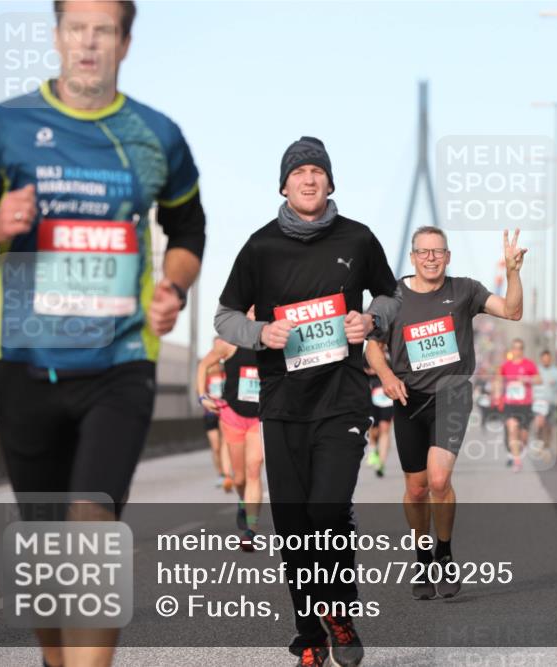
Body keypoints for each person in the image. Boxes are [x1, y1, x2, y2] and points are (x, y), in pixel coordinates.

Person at [0, 2, 205, 665]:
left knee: (92, 528)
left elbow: (189, 233)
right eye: (77, 28)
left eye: (104, 30)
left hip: (119, 364)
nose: (89, 41)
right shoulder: (2, 127)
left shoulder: (157, 135)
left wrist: (174, 288)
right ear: (57, 38)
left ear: (125, 42)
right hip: (24, 366)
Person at [215, 136, 396, 667]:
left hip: (342, 399)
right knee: (293, 524)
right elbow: (225, 317)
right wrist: (260, 332)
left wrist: (372, 320)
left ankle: (339, 611)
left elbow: (392, 296)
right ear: (284, 184)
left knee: (328, 510)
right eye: (300, 172)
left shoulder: (358, 239)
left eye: (318, 171)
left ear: (330, 181)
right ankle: (309, 635)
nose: (309, 179)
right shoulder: (260, 246)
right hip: (283, 403)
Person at [366, 227, 525, 599]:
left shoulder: (464, 290)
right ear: (413, 257)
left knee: (439, 481)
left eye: (438, 252)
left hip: (452, 395)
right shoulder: (391, 298)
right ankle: (422, 554)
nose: (431, 258)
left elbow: (512, 311)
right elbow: (372, 347)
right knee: (416, 489)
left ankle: (445, 551)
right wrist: (387, 375)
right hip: (407, 398)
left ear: (448, 256)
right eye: (424, 252)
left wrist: (513, 272)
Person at [196, 321, 264, 548]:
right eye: (251, 309)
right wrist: (202, 397)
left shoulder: (273, 343)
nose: (255, 313)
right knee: (240, 478)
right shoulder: (230, 344)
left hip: (259, 417)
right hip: (233, 416)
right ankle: (243, 501)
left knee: (254, 469)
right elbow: (204, 365)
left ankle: (251, 530)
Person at [496, 338, 541, 471]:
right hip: (510, 404)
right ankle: (517, 461)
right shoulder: (505, 366)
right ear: (512, 350)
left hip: (525, 404)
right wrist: (498, 394)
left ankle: (518, 451)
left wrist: (527, 379)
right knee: (512, 427)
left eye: (520, 348)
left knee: (524, 437)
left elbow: (539, 379)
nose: (517, 350)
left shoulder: (529, 365)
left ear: (523, 350)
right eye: (515, 348)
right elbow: (498, 380)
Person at [196, 341, 233, 490]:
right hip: (210, 412)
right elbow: (199, 390)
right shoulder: (207, 371)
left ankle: (226, 474)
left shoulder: (226, 371)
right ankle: (220, 473)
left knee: (225, 442)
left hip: (224, 410)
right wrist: (203, 399)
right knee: (215, 445)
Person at [363, 347, 393, 478]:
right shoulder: (370, 348)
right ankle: (373, 448)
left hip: (387, 393)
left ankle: (381, 462)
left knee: (385, 427)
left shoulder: (392, 349)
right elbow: (363, 368)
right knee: (373, 429)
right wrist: (376, 369)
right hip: (371, 392)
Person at [531, 349, 557, 457]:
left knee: (549, 426)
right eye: (544, 359)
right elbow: (531, 383)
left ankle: (546, 446)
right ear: (541, 359)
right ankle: (539, 444)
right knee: (539, 424)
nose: (546, 361)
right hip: (539, 402)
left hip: (551, 402)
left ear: (550, 359)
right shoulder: (536, 371)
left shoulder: (556, 372)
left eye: (548, 359)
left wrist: (555, 383)